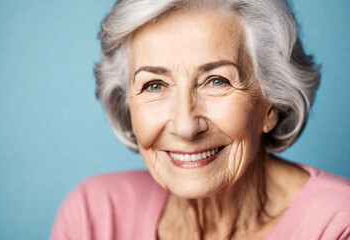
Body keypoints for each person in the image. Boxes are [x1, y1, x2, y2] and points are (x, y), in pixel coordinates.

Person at [50, 0, 350, 239]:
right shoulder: (94, 216)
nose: (185, 126)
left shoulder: (339, 224)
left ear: (272, 104)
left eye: (216, 81)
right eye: (154, 85)